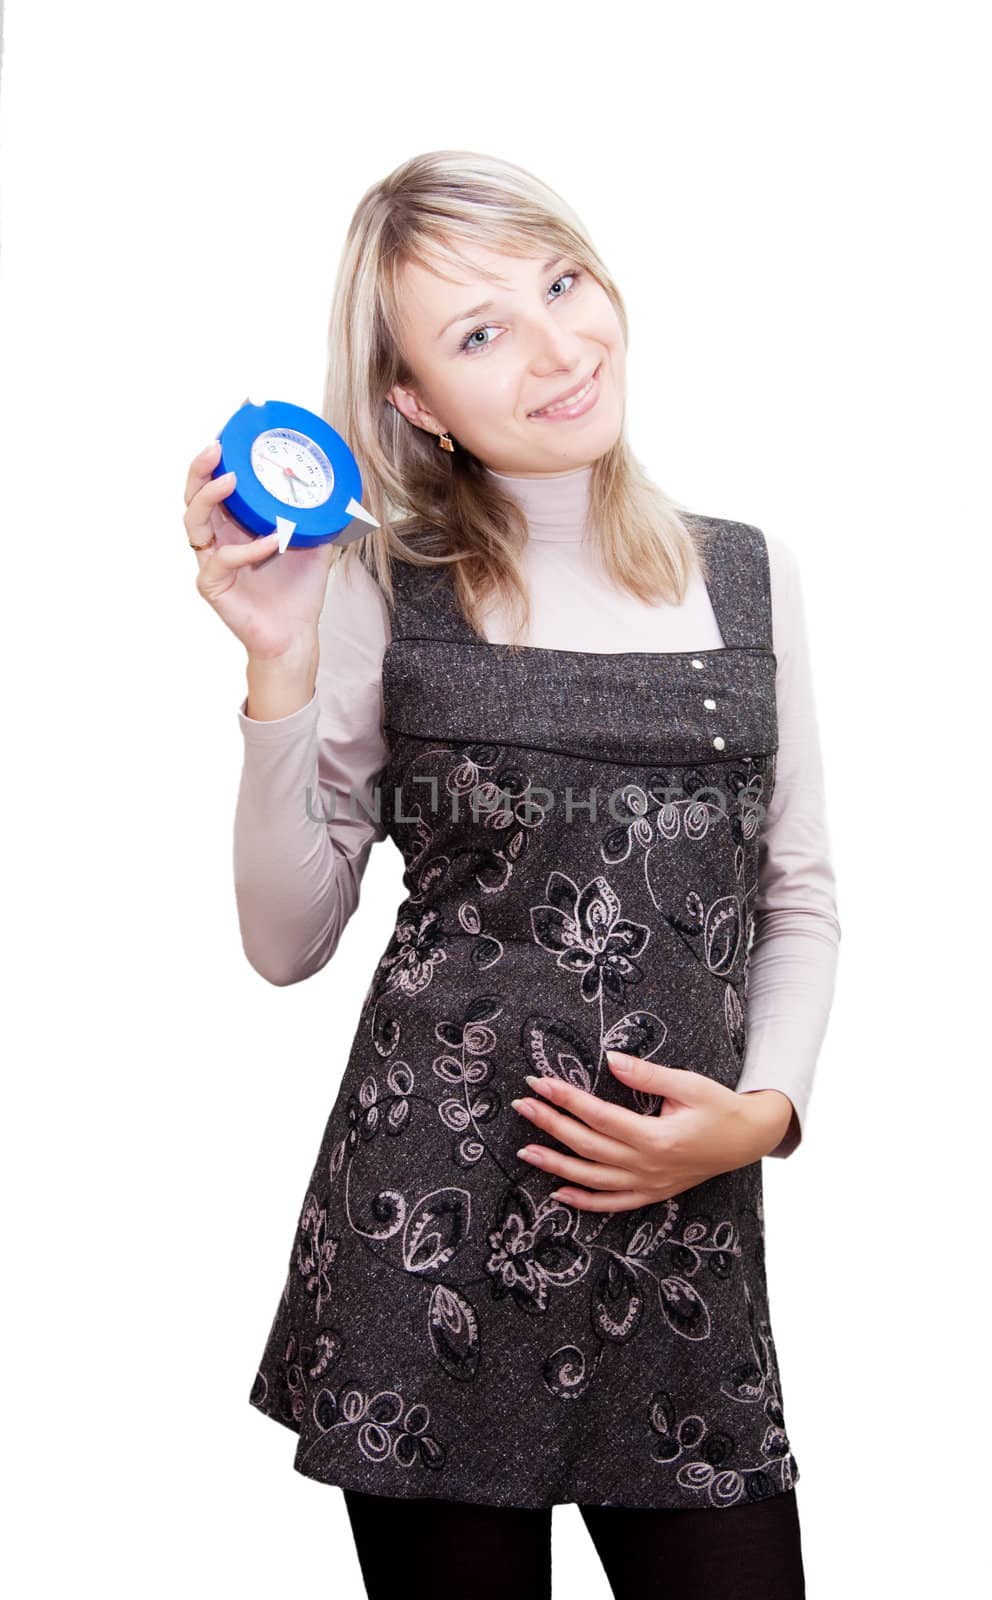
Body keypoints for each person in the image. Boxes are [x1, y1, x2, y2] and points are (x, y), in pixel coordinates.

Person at [184, 150, 840, 1599]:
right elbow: (287, 941)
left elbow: (796, 896)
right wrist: (279, 669)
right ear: (413, 397)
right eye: (480, 332)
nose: (557, 349)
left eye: (560, 284)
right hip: (432, 1244)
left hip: (684, 1239)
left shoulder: (748, 575)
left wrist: (760, 1118)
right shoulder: (368, 588)